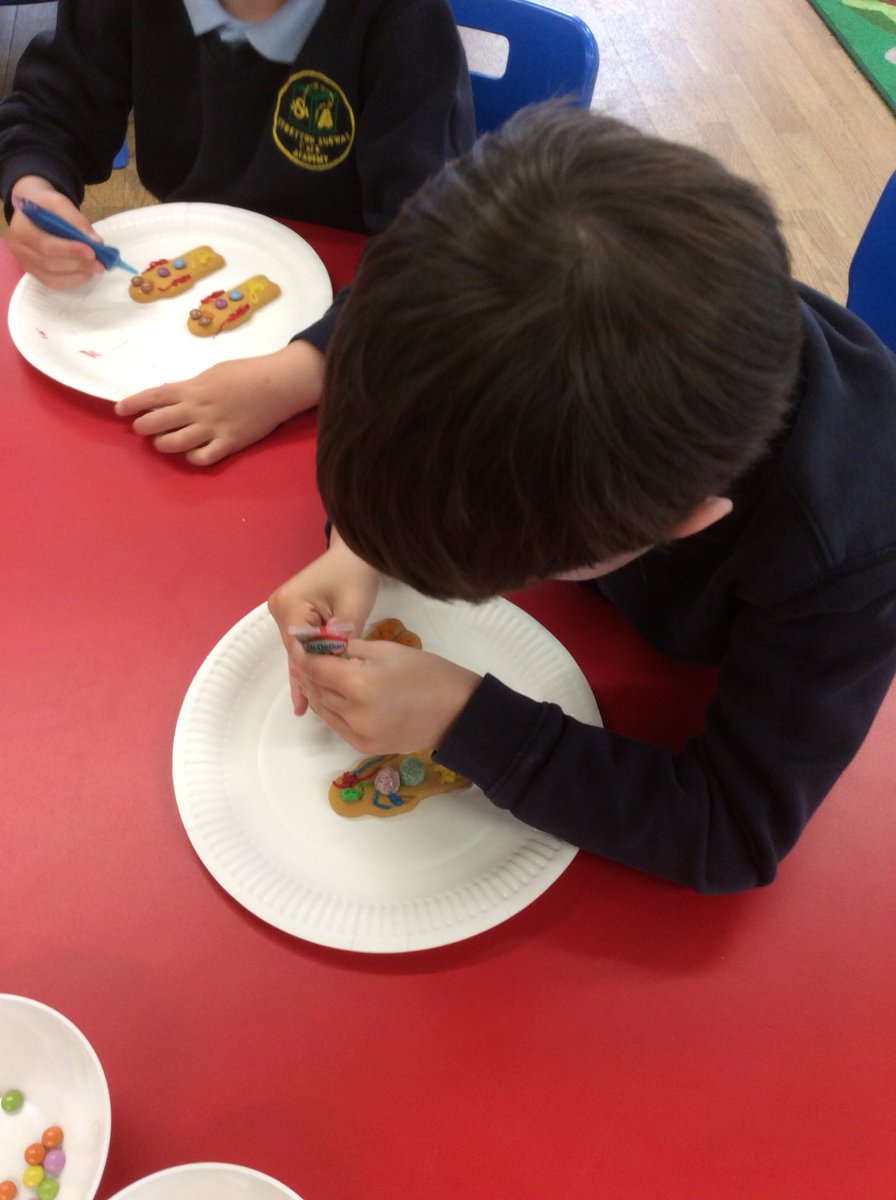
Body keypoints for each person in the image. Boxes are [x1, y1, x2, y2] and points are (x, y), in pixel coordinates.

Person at [267, 103, 896, 895]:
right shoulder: (496, 260)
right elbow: (380, 309)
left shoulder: (848, 555)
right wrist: (356, 545)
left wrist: (461, 720)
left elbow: (733, 829)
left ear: (685, 525)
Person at [0, 0, 474, 464]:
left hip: (361, 328)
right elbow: (53, 105)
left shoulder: (403, 19)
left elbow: (430, 248)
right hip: (167, 345)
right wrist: (35, 186)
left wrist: (302, 374)